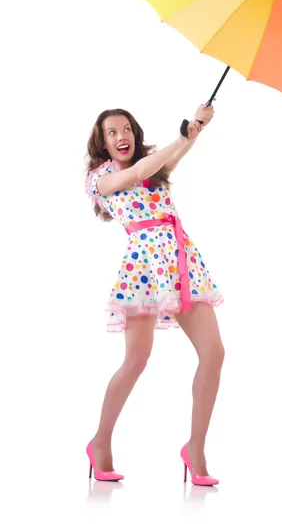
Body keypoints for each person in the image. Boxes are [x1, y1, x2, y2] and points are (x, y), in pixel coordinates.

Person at [84, 104, 225, 486]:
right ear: (102, 142)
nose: (121, 136)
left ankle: (195, 448)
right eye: (111, 133)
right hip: (144, 269)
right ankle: (99, 442)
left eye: (126, 129)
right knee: (135, 360)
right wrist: (181, 137)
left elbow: (168, 160)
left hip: (181, 260)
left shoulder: (151, 164)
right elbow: (142, 171)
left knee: (214, 353)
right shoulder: (102, 179)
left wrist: (197, 129)